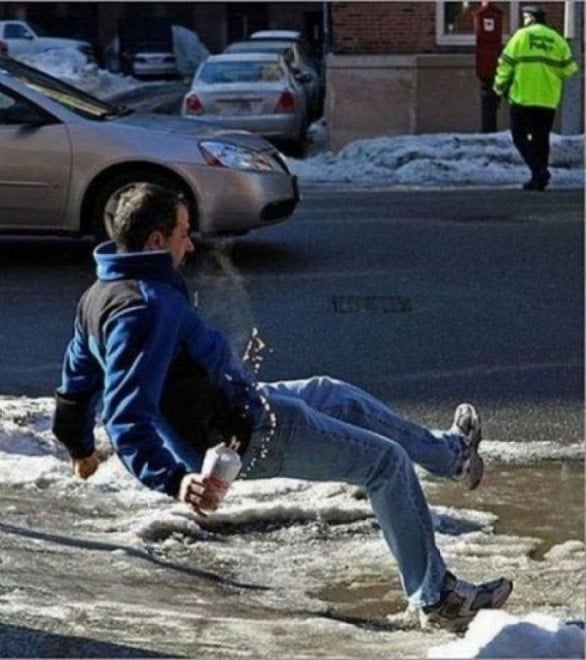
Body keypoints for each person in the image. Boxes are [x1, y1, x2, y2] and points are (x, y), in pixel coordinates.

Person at [52, 183, 513, 629]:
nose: (189, 245)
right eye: (182, 232)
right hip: (246, 435)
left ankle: (452, 456)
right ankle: (437, 598)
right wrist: (175, 481)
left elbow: (76, 385)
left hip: (245, 408)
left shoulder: (101, 294)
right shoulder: (144, 309)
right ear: (155, 240)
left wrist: (77, 445)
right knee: (385, 465)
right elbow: (126, 415)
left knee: (337, 397)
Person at [494, 4, 579, 191]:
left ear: (530, 18)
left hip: (523, 98)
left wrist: (499, 87)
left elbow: (505, 65)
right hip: (547, 99)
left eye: (525, 18)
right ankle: (538, 179)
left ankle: (539, 171)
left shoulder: (520, 37)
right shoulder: (556, 40)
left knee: (519, 136)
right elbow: (570, 69)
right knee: (541, 139)